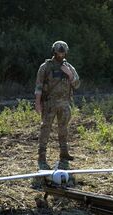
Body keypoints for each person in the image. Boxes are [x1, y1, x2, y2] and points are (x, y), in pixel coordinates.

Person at [34, 40, 80, 170]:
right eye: (58, 52)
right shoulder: (45, 67)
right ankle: (42, 157)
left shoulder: (69, 67)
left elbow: (77, 84)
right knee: (45, 129)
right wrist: (38, 103)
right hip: (49, 103)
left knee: (63, 129)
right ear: (54, 51)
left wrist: (70, 74)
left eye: (63, 52)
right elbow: (38, 86)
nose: (60, 55)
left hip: (65, 104)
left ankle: (63, 155)